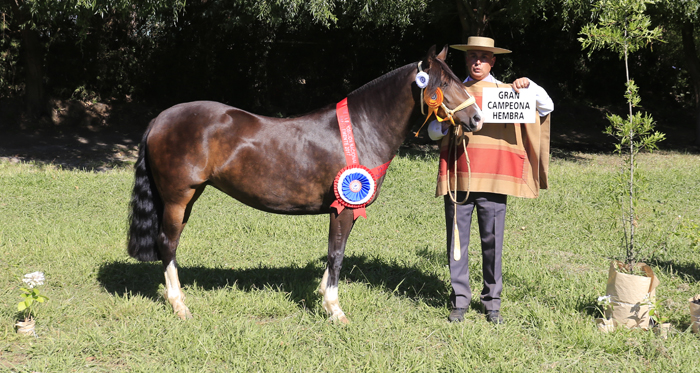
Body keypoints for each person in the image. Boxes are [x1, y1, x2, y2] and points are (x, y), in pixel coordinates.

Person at [427, 36, 554, 324]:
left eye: (484, 57)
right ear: (466, 59)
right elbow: (433, 133)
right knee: (457, 242)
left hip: (496, 179)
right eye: (473, 56)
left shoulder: (507, 91)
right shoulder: (451, 92)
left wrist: (529, 85)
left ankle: (491, 302)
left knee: (492, 241)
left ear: (493, 61)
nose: (477, 62)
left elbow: (546, 107)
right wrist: (443, 122)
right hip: (460, 179)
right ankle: (460, 300)